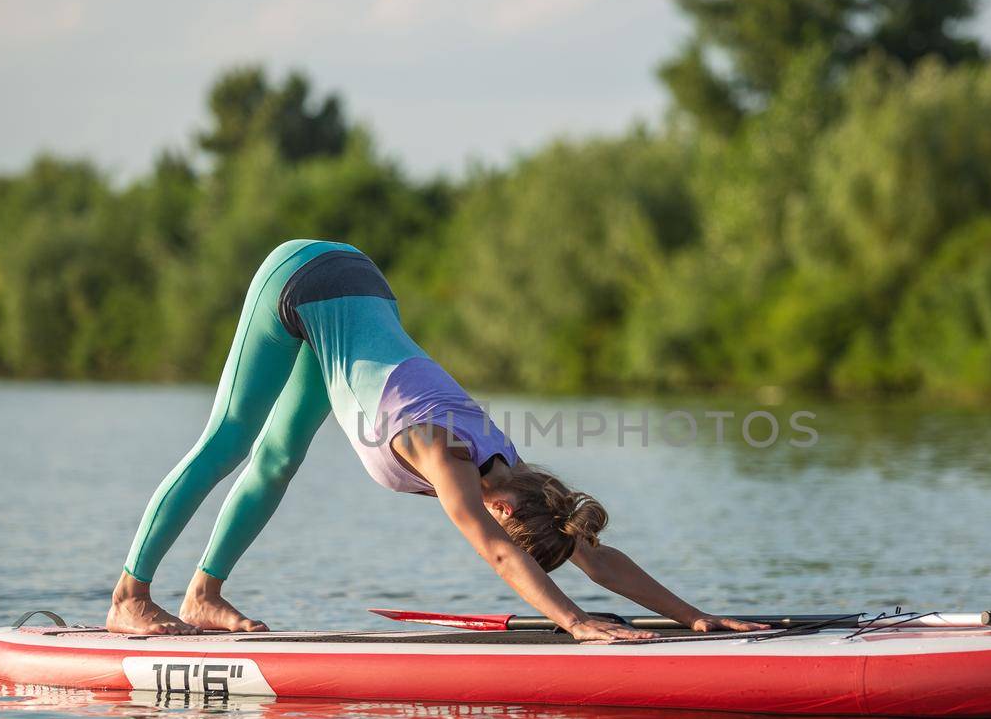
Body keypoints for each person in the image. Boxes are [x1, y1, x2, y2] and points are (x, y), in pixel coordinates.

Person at [109, 238, 764, 642]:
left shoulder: (518, 474)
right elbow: (498, 553)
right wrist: (575, 622)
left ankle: (203, 596)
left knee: (278, 459)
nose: (496, 527)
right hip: (302, 276)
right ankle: (129, 598)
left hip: (360, 291)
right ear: (503, 510)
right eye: (505, 530)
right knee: (231, 439)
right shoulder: (447, 453)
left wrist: (694, 615)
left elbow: (589, 553)